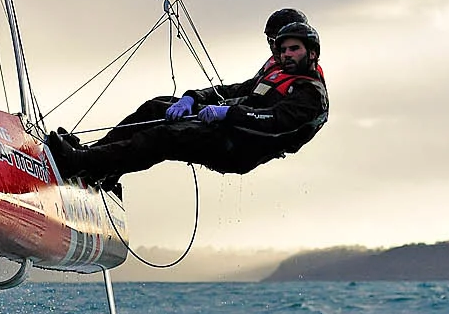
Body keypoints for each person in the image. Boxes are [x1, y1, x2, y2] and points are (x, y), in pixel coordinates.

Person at [46, 12, 328, 190]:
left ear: (311, 52)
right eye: (278, 46)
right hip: (227, 129)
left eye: (291, 48)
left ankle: (81, 164)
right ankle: (98, 160)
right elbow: (237, 89)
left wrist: (226, 114)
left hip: (239, 149)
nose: (282, 52)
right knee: (157, 107)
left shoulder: (311, 94)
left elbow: (275, 122)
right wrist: (194, 97)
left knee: (164, 137)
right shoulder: (277, 71)